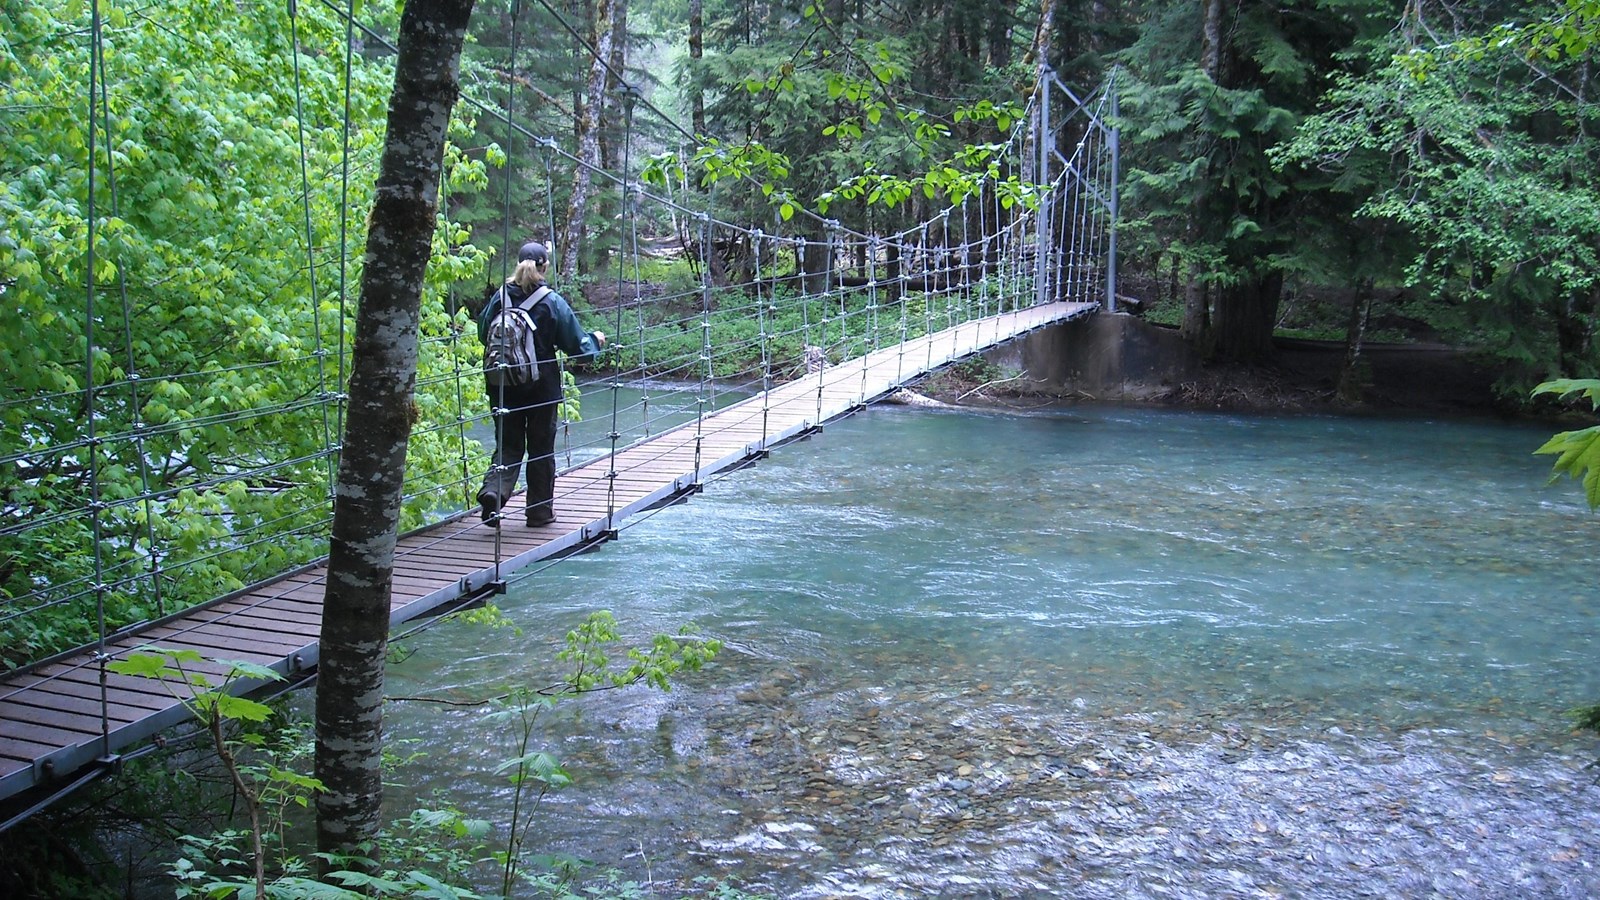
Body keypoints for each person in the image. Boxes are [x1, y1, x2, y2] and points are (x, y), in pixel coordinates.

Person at [476, 241, 606, 527]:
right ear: (545, 266)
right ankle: (539, 512)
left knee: (507, 447)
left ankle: (494, 493)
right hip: (541, 389)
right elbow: (579, 349)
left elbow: (483, 333)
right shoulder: (551, 301)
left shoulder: (500, 297)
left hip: (502, 386)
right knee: (540, 449)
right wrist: (596, 341)